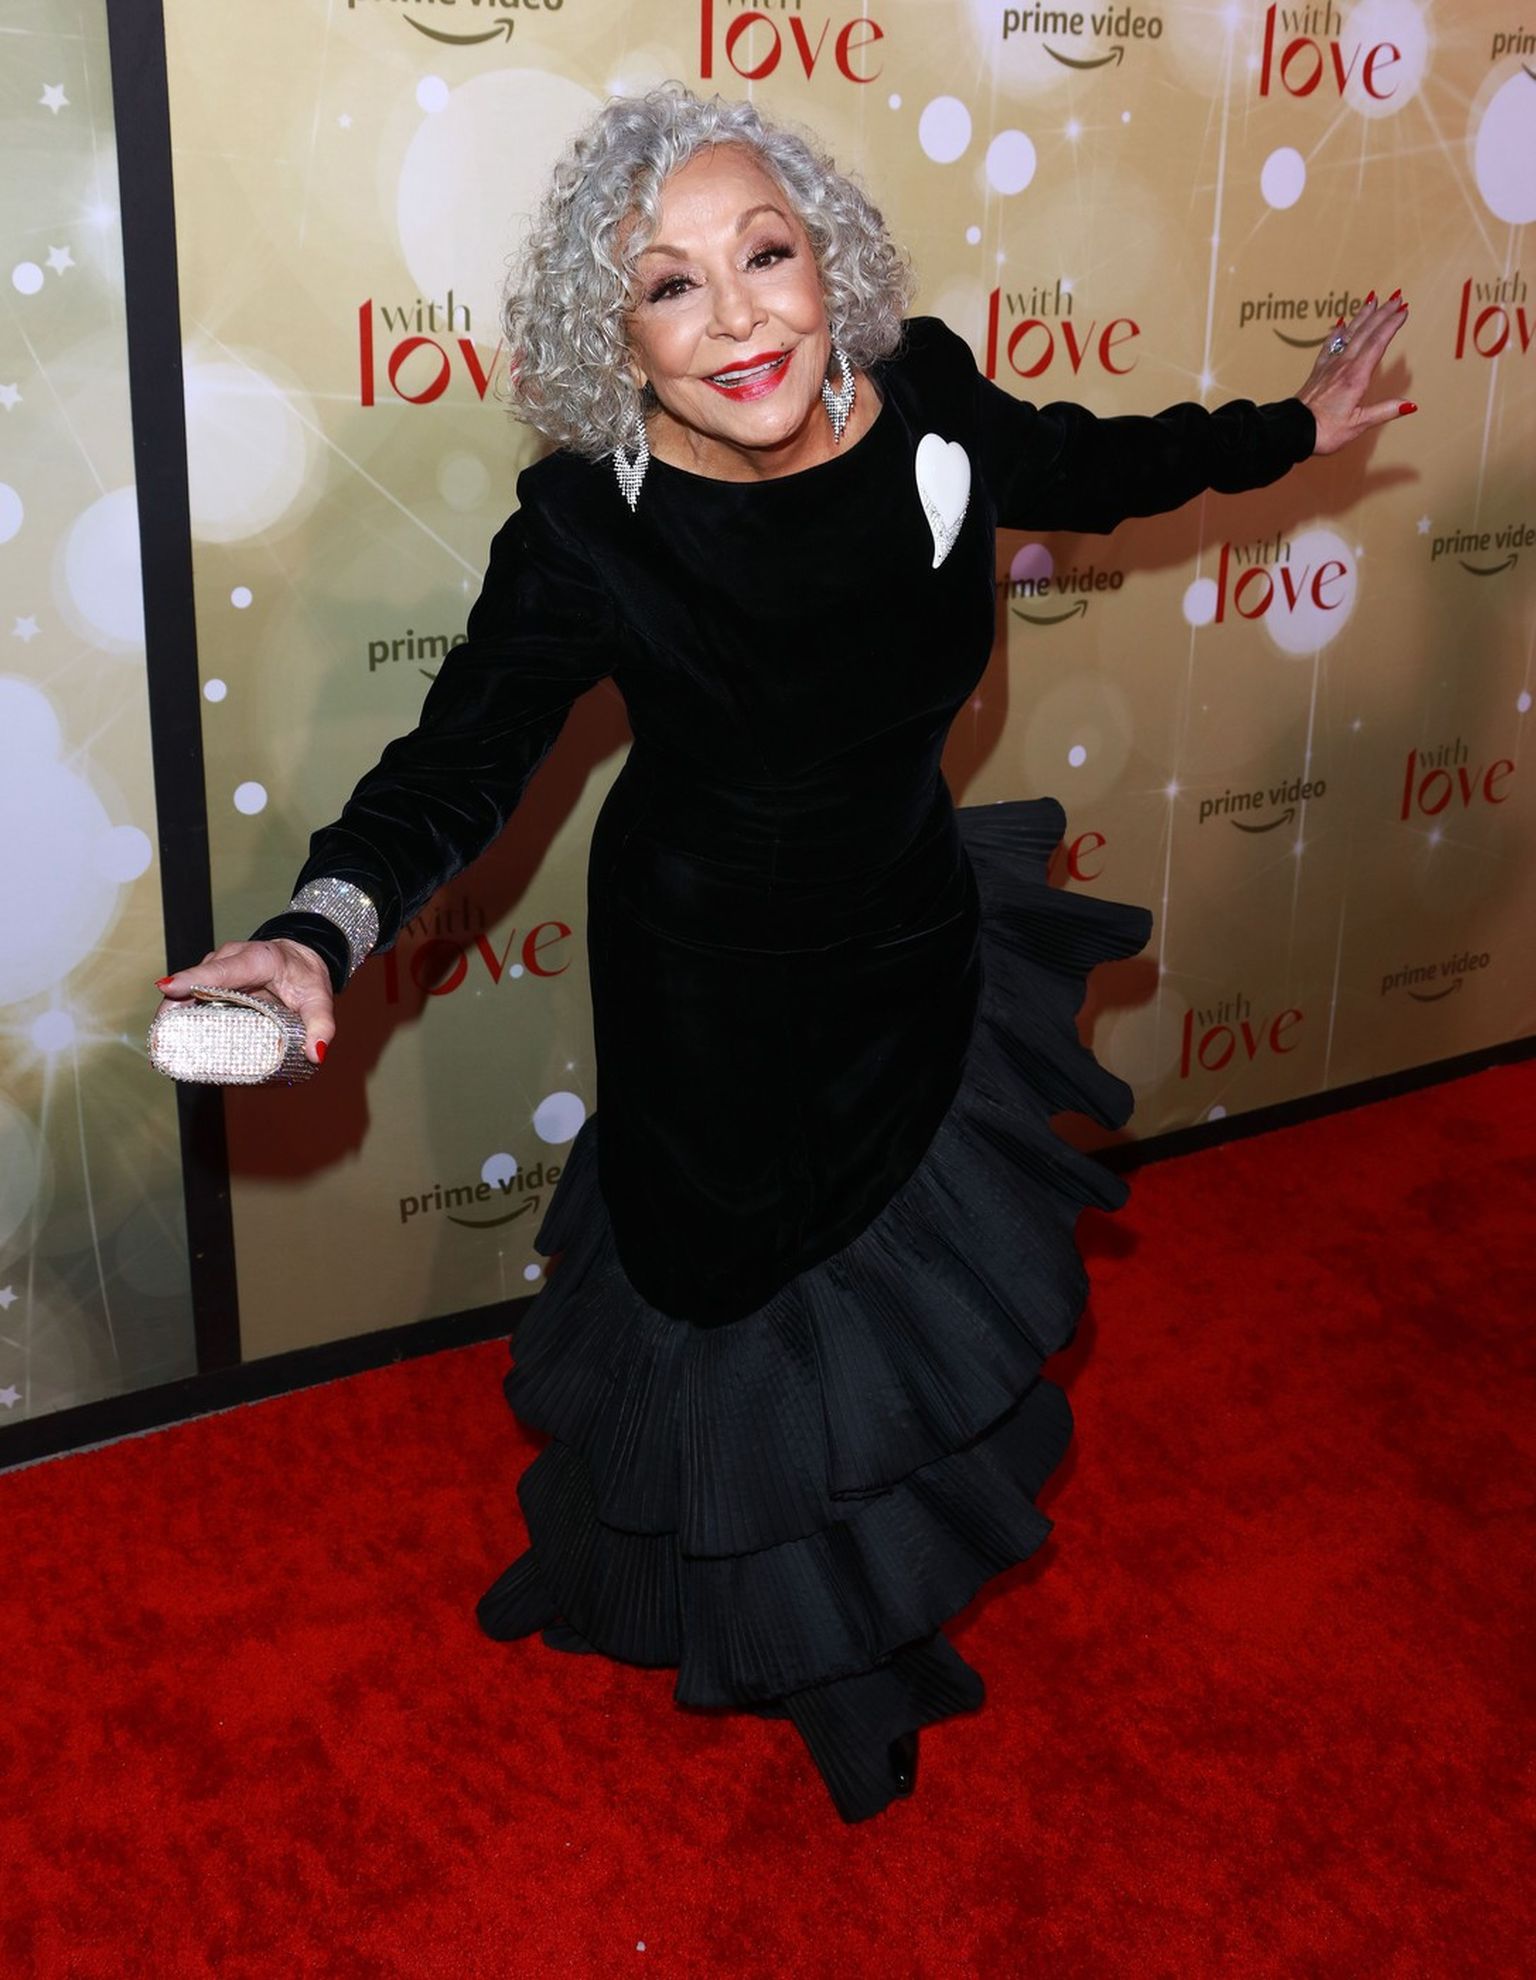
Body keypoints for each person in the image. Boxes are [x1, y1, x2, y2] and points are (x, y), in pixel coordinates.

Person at [154, 83, 1412, 1823]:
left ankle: (839, 1614)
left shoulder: (931, 397)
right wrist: (321, 930)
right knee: (719, 1304)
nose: (739, 316)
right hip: (710, 983)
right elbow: (458, 759)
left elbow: (1101, 463)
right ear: (617, 338)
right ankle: (712, 1605)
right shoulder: (588, 529)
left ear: (832, 265)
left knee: (874, 1311)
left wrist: (1296, 425)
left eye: (767, 254)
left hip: (910, 930)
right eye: (670, 285)